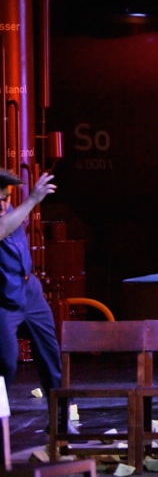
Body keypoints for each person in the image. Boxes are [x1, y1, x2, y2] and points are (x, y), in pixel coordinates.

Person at [0, 170, 62, 397]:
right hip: (4, 299)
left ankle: (61, 413)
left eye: (6, 198)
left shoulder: (11, 211)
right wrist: (33, 199)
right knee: (6, 361)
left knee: (50, 352)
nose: (3, 205)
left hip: (30, 290)